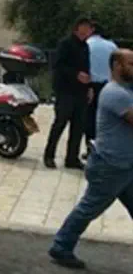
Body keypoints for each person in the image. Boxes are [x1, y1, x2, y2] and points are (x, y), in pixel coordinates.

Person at [49, 49, 133, 269]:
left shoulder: (126, 91)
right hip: (111, 166)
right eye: (130, 64)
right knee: (89, 208)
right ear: (116, 66)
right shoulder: (116, 93)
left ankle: (62, 244)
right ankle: (61, 245)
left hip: (124, 165)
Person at [44, 17, 94, 170]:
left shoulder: (85, 47)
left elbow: (87, 68)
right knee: (60, 123)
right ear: (77, 28)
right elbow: (58, 66)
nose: (87, 31)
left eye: (89, 29)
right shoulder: (65, 44)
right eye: (84, 27)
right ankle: (49, 155)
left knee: (78, 126)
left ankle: (72, 158)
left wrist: (89, 87)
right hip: (65, 90)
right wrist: (76, 74)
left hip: (81, 92)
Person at [85, 23, 118, 157]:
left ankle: (90, 150)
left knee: (89, 118)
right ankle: (105, 149)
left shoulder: (86, 44)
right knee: (106, 119)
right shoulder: (111, 46)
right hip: (109, 86)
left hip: (91, 86)